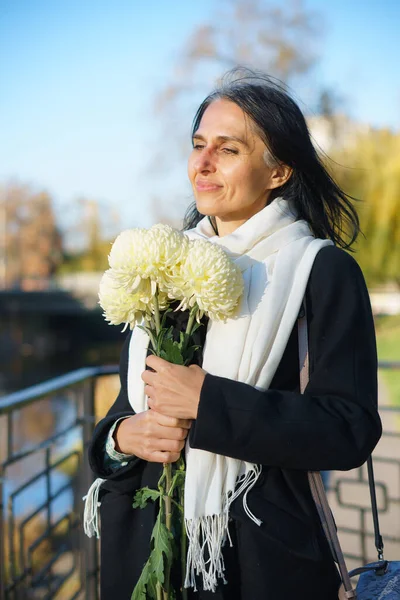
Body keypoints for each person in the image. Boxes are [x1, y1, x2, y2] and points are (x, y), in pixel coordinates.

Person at [86, 68, 382, 600]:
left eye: (228, 150)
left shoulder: (321, 271)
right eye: (199, 145)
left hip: (258, 565)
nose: (201, 163)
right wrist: (118, 439)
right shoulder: (166, 268)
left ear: (278, 171)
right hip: (144, 558)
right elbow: (124, 411)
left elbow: (349, 429)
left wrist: (210, 402)